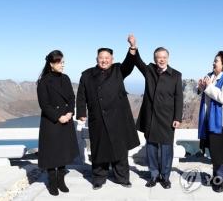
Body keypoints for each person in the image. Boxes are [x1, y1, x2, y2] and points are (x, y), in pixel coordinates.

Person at [76, 35, 140, 190]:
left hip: (118, 118)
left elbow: (130, 63)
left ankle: (123, 178)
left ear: (112, 59)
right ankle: (98, 179)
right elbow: (81, 94)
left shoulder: (118, 69)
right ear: (97, 59)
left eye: (107, 58)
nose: (104, 60)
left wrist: (132, 47)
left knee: (120, 150)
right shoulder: (87, 74)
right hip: (98, 117)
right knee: (99, 149)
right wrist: (81, 112)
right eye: (101, 58)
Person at [132, 35, 183, 189]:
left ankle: (165, 177)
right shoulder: (149, 71)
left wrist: (177, 117)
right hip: (151, 117)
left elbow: (179, 98)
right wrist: (134, 47)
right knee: (151, 148)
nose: (162, 60)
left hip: (168, 117)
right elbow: (137, 61)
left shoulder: (176, 75)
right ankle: (154, 175)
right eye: (159, 57)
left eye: (164, 57)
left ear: (168, 58)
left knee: (167, 149)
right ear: (155, 59)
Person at [36, 50, 80, 196]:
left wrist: (69, 113)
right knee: (51, 153)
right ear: (51, 64)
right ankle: (52, 181)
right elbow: (44, 104)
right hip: (51, 122)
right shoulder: (44, 81)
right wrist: (58, 117)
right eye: (60, 63)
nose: (62, 65)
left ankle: (61, 180)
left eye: (63, 62)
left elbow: (71, 98)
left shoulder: (66, 79)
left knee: (63, 152)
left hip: (66, 120)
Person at [197, 51, 223, 193]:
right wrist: (202, 88)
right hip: (211, 120)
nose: (213, 63)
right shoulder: (211, 76)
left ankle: (222, 180)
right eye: (214, 61)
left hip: (222, 123)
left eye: (216, 61)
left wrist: (208, 87)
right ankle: (216, 178)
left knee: (220, 152)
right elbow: (207, 94)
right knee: (214, 151)